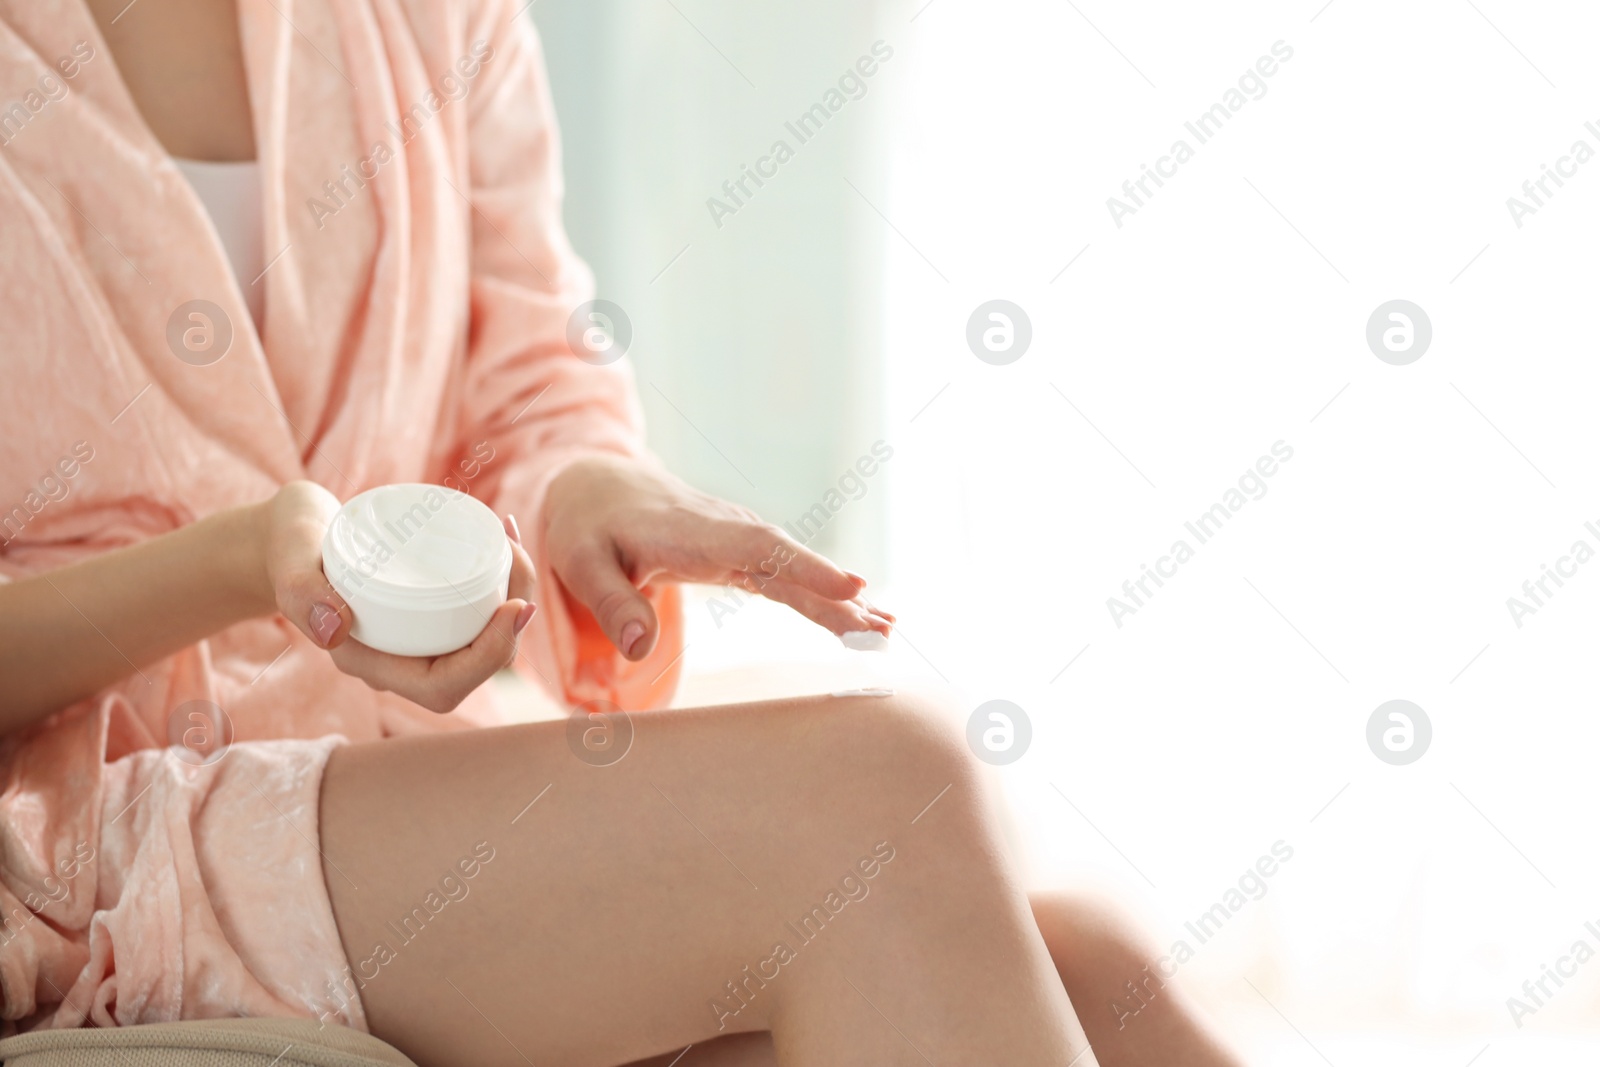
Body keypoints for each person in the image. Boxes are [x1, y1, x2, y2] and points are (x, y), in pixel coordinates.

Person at [0, 1, 1243, 1063]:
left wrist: (587, 489)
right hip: (75, 838)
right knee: (883, 788)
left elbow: (533, 373)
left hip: (389, 769)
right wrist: (236, 564)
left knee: (1093, 968)